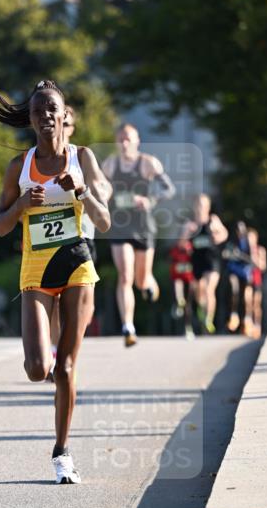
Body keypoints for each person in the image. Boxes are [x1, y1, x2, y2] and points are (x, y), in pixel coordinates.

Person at [0, 71, 110, 485]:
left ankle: (62, 452)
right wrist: (23, 204)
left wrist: (79, 191)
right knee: (36, 367)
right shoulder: (19, 167)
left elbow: (105, 218)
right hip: (36, 269)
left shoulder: (83, 159)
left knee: (64, 367)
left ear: (65, 117)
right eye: (37, 110)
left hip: (78, 263)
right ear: (30, 120)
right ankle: (50, 369)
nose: (45, 115)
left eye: (52, 109)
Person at [49, 104, 112, 365]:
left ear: (72, 129)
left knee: (85, 308)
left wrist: (93, 192)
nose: (61, 128)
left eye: (67, 124)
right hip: (49, 239)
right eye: (58, 122)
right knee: (55, 300)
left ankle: (69, 350)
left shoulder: (81, 157)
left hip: (82, 237)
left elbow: (103, 187)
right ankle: (57, 354)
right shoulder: (38, 157)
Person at [102, 124, 175, 347]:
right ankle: (128, 327)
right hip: (120, 226)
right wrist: (105, 197)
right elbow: (100, 189)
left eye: (128, 139)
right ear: (116, 142)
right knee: (125, 276)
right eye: (121, 139)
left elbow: (168, 189)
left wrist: (149, 200)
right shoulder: (110, 165)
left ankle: (148, 285)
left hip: (143, 227)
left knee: (141, 280)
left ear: (137, 140)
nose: (124, 143)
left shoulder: (148, 163)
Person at [180, 193, 228, 334]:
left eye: (203, 205)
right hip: (197, 262)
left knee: (209, 289)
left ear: (208, 207)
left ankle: (208, 319)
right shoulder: (190, 224)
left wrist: (216, 235)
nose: (201, 208)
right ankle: (202, 311)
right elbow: (181, 245)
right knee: (199, 293)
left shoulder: (213, 220)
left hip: (211, 261)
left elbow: (225, 234)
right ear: (195, 207)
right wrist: (186, 234)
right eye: (198, 205)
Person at [225, 221, 254, 335]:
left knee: (246, 298)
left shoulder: (247, 242)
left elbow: (250, 259)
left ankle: (246, 319)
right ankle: (233, 315)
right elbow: (225, 254)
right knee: (234, 290)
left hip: (244, 271)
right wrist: (231, 254)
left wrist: (239, 255)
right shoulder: (231, 242)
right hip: (233, 270)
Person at [168, 237, 195, 340]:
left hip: (188, 278)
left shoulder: (190, 248)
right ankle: (178, 302)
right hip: (177, 278)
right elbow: (170, 260)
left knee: (188, 305)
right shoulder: (174, 250)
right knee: (178, 287)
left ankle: (188, 328)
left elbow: (195, 260)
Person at [248, 228, 267, 338]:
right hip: (247, 280)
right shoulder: (244, 250)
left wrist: (255, 260)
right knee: (248, 301)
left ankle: (257, 325)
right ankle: (248, 325)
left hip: (257, 280)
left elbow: (263, 267)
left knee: (256, 304)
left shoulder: (260, 250)